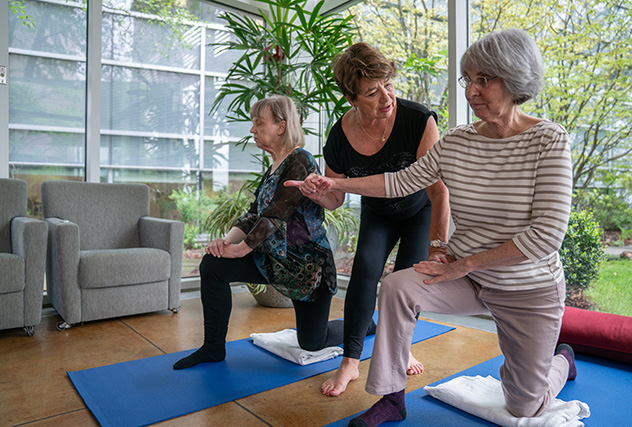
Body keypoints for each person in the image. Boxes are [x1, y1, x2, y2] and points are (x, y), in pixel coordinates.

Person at [287, 29, 576, 426]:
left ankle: (561, 362)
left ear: (514, 79)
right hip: (471, 279)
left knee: (525, 403)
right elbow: (400, 181)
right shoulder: (457, 141)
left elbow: (548, 235)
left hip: (526, 288)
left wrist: (461, 262)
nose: (471, 91)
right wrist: (334, 183)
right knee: (397, 286)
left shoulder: (549, 139)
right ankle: (391, 399)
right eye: (467, 79)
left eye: (483, 80)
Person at [297, 42, 450, 397]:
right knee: (365, 272)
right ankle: (350, 361)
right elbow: (335, 198)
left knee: (403, 282)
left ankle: (400, 346)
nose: (386, 97)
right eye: (372, 91)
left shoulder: (418, 120)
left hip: (418, 211)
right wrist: (317, 192)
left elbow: (439, 191)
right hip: (378, 212)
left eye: (388, 84)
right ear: (351, 98)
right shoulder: (339, 137)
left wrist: (438, 247)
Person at [173, 95, 352, 370]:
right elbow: (254, 213)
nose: (252, 129)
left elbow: (274, 217)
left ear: (281, 126)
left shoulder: (300, 160)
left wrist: (240, 249)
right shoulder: (272, 169)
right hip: (273, 259)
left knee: (313, 343)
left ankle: (362, 325)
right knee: (213, 265)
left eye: (259, 122)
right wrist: (225, 242)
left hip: (306, 268)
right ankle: (212, 349)